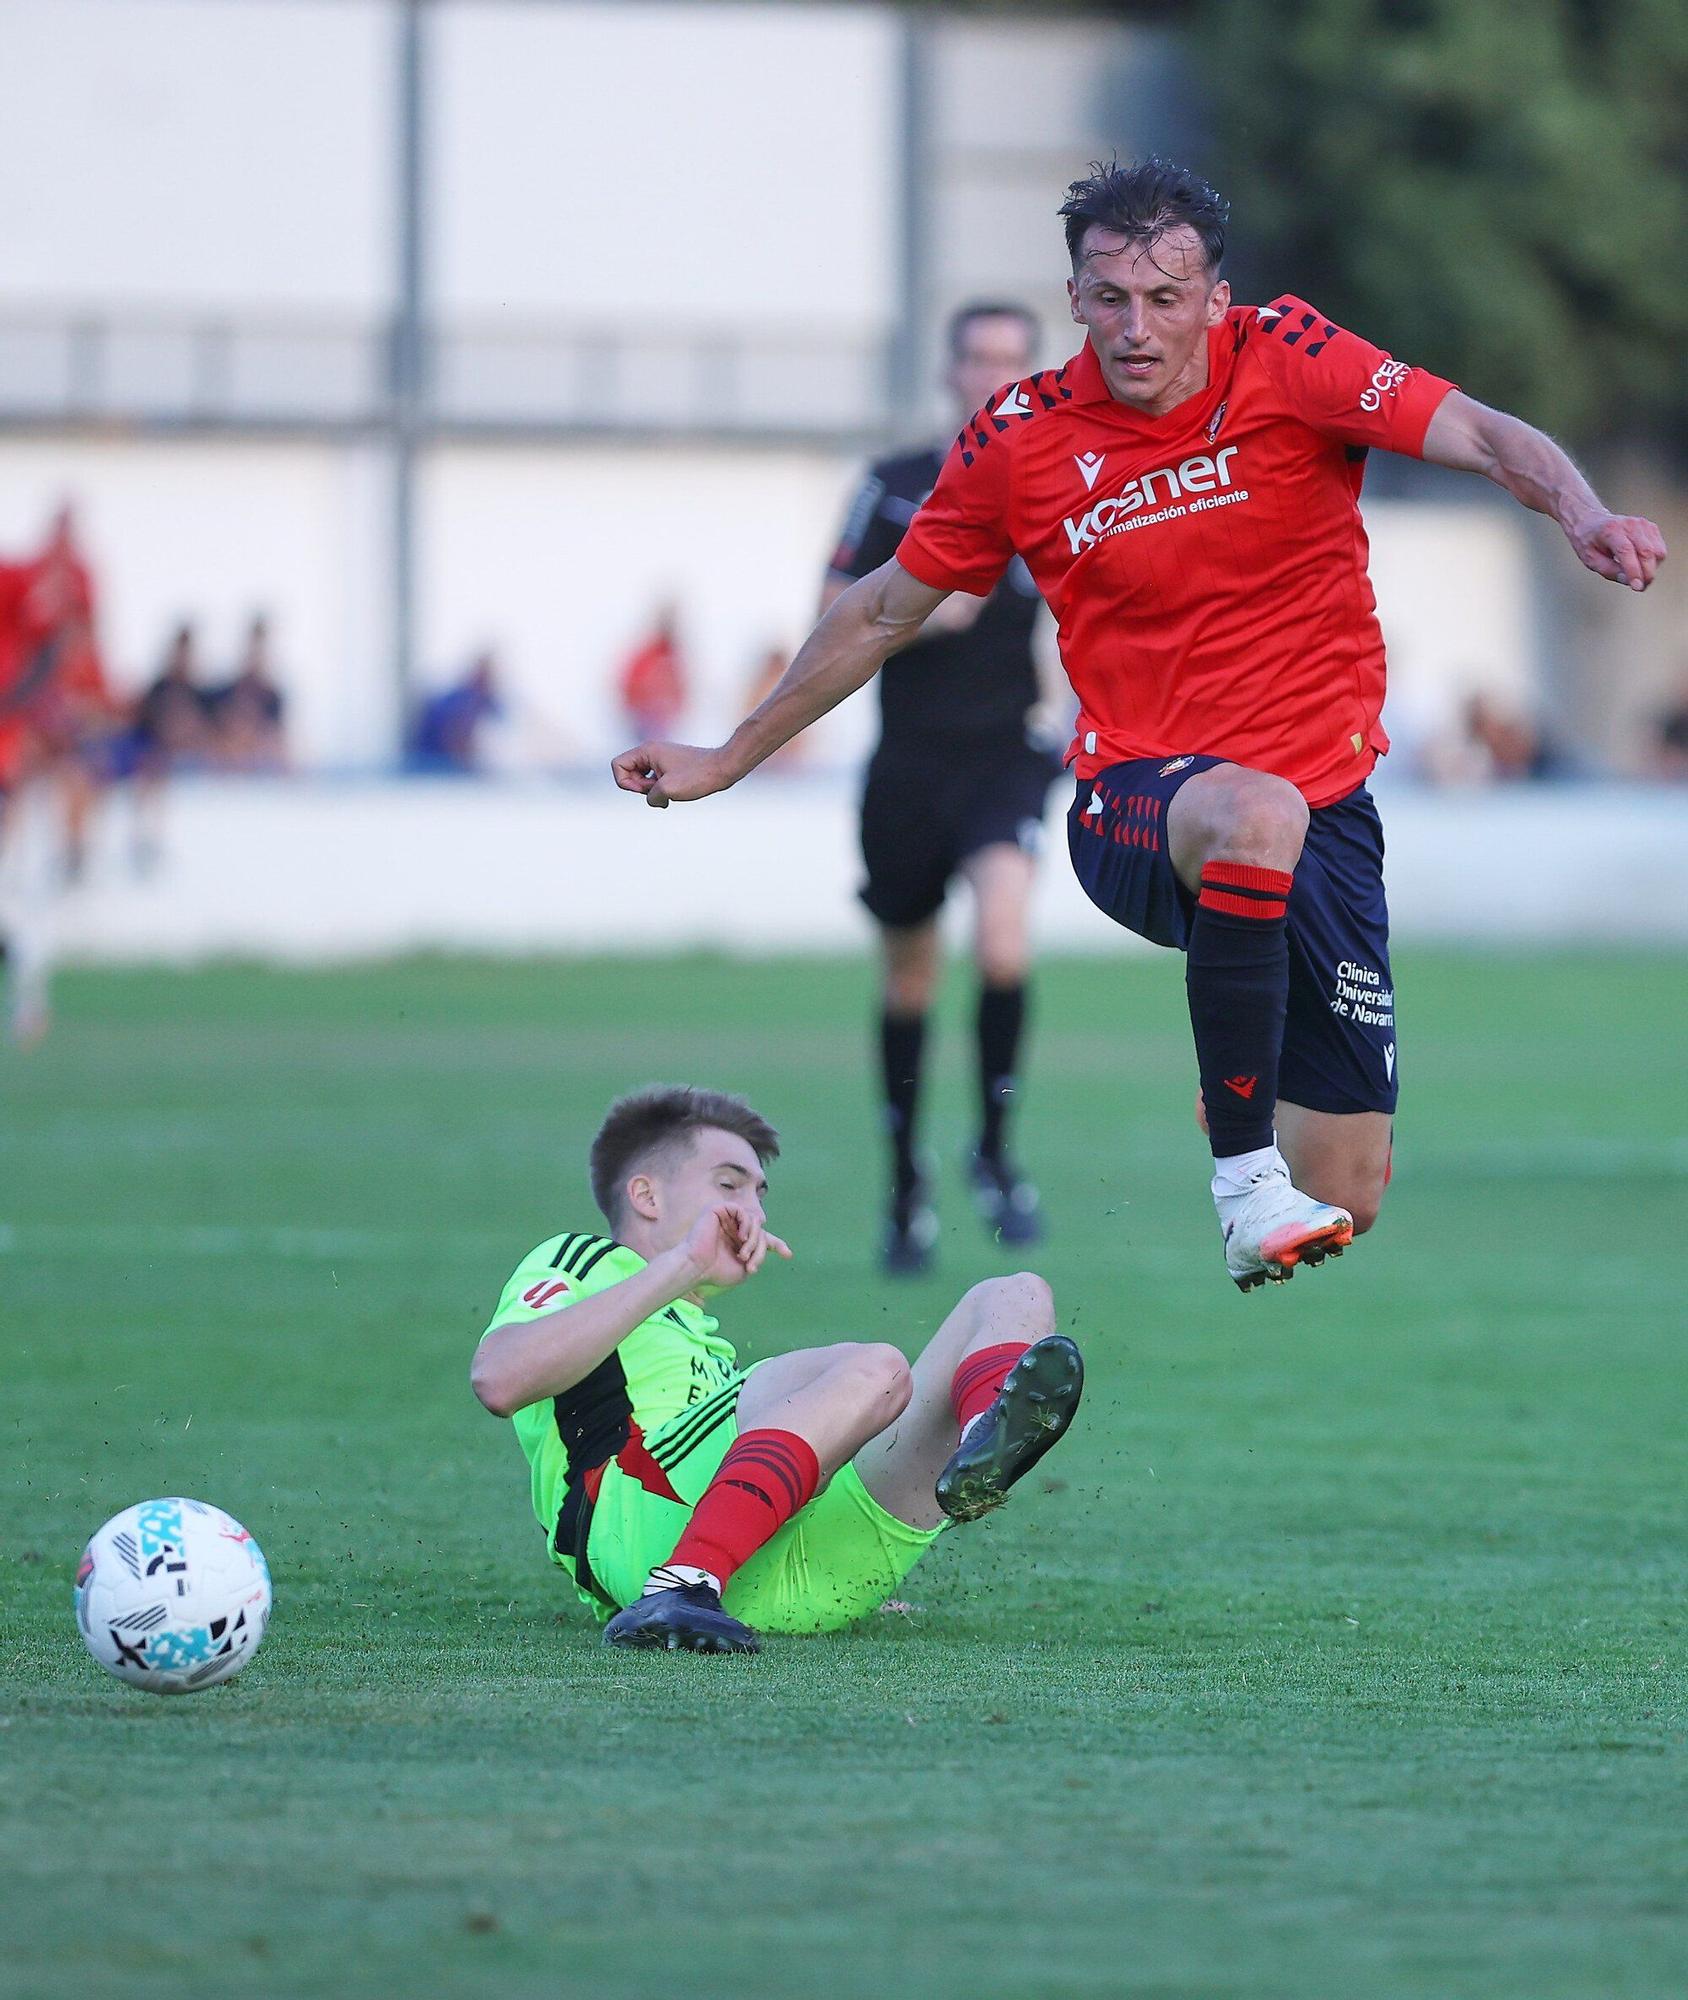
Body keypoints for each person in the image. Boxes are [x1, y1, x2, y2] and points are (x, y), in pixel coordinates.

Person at [612, 157, 1667, 1292]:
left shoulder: (1294, 358)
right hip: (1137, 801)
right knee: (1252, 813)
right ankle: (1238, 1180)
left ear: (1216, 299)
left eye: (1164, 299)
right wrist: (728, 754)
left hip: (1327, 816)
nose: (1134, 325)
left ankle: (1260, 1141)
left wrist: (1582, 509)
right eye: (1107, 297)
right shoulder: (1018, 438)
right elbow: (877, 609)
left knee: (1346, 1188)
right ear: (1072, 297)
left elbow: (1481, 432)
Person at [469, 1085, 1084, 1654]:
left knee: (1017, 1295)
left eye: (759, 1194)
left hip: (800, 1577)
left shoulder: (705, 1345)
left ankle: (982, 1443)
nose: (751, 1212)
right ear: (647, 1194)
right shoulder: (586, 1262)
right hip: (639, 1538)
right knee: (876, 1368)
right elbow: (498, 1380)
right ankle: (684, 1580)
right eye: (729, 1185)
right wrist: (680, 1268)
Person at [824, 301, 1070, 1274]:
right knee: (910, 975)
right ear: (949, 369)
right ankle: (903, 1182)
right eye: (977, 358)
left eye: (1012, 362)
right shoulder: (890, 485)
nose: (991, 377)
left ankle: (996, 1156)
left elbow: (1090, 610)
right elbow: (830, 612)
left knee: (1004, 939)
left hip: (1004, 756)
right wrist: (927, 610)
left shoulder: (1057, 484)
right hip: (906, 765)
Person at [205, 614, 287, 772]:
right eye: (254, 648)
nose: (257, 655)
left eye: (262, 649)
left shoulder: (273, 697)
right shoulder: (223, 694)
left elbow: (279, 743)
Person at [409, 651, 504, 773]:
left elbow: (503, 725)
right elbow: (454, 739)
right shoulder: (454, 702)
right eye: (486, 674)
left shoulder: (487, 700)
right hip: (433, 768)